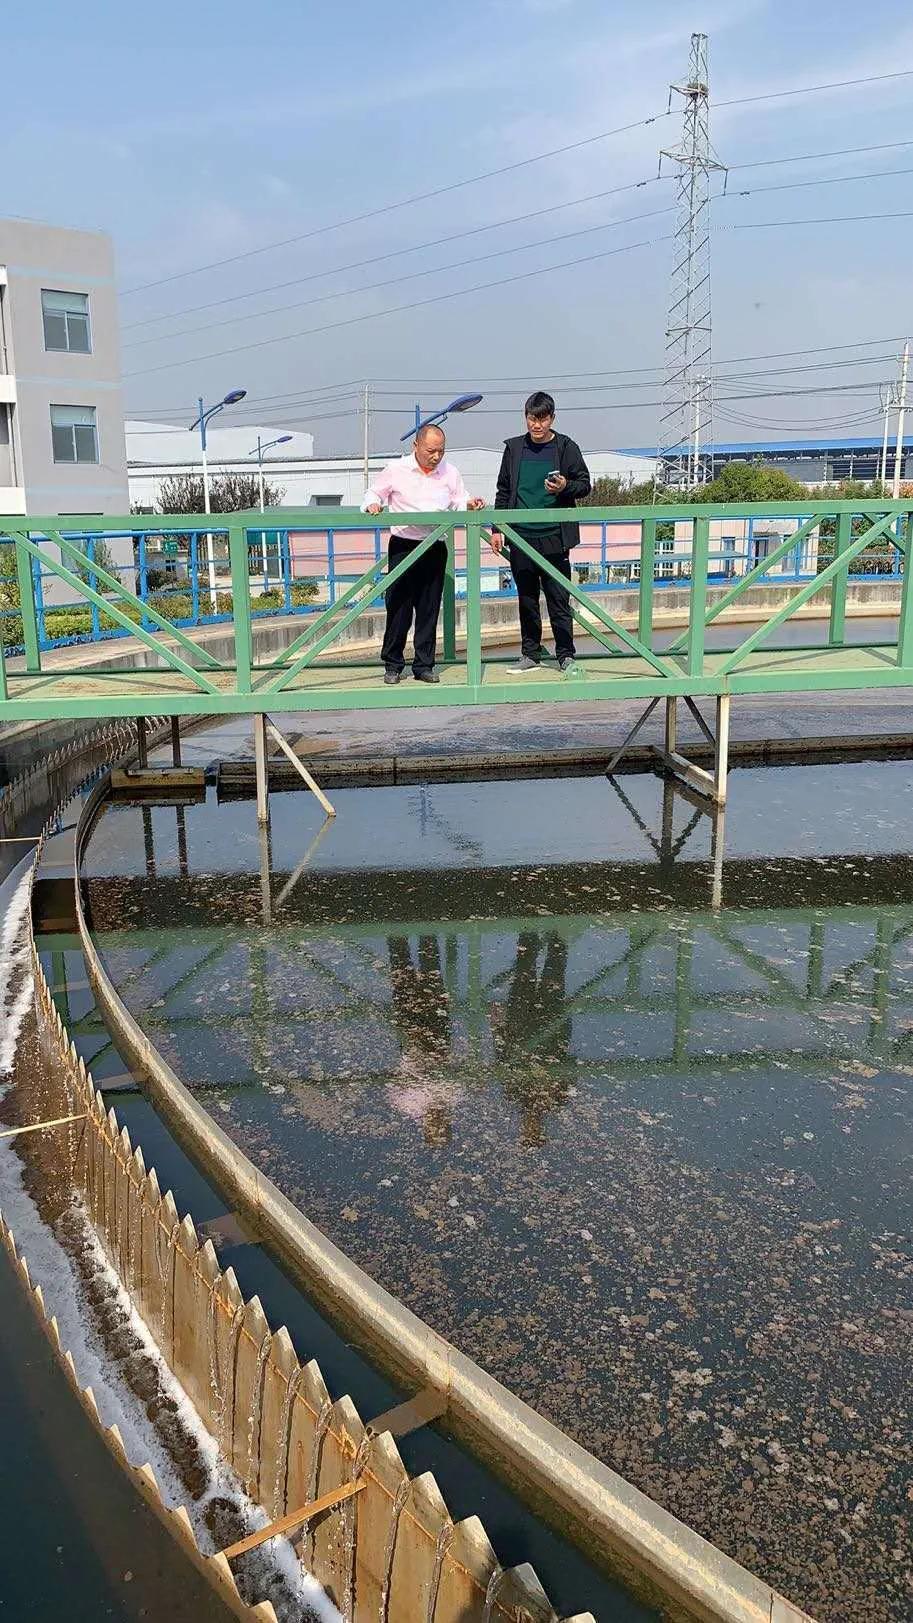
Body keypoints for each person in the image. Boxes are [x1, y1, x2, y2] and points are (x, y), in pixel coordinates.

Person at [362, 425, 484, 684]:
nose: (436, 456)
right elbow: (374, 492)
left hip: (434, 545)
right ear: (415, 446)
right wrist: (372, 503)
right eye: (431, 451)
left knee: (429, 608)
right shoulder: (396, 469)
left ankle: (424, 665)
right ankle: (393, 664)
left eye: (441, 451)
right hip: (403, 544)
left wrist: (470, 504)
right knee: (399, 607)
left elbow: (459, 500)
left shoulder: (450, 472)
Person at [489, 391, 591, 674]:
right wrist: (496, 528)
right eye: (532, 418)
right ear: (526, 418)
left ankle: (566, 656)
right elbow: (503, 491)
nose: (537, 425)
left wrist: (565, 487)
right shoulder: (514, 448)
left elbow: (585, 485)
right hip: (520, 537)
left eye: (543, 419)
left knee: (558, 599)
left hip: (555, 537)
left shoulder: (566, 447)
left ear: (552, 419)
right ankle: (530, 654)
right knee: (527, 599)